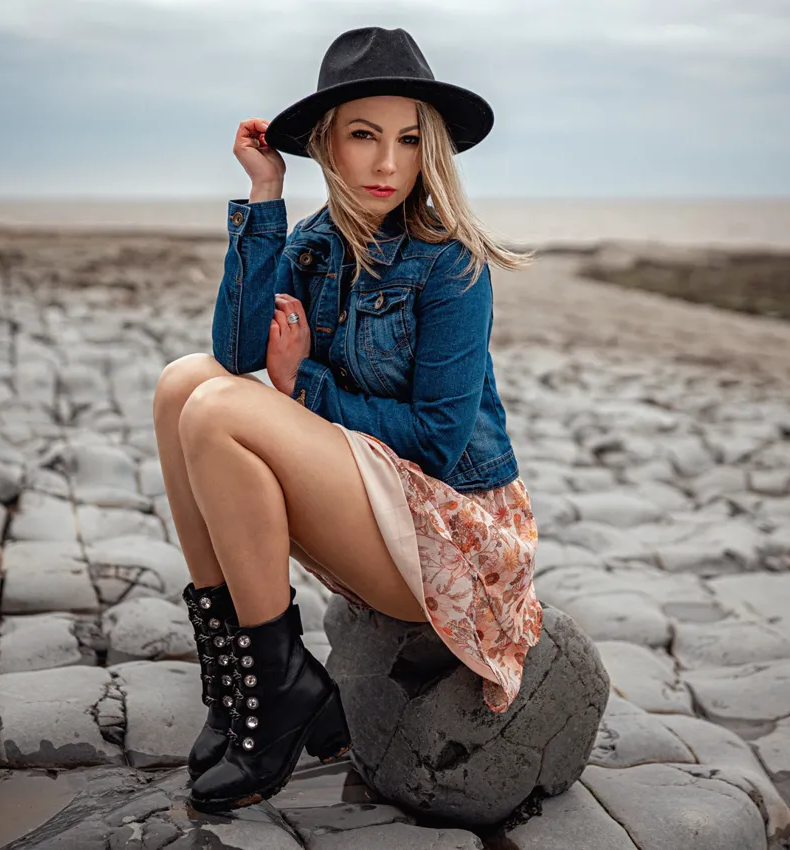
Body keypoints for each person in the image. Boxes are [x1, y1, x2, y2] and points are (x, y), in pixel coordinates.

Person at [152, 26, 540, 814]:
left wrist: (303, 388)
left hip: (451, 535)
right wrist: (265, 194)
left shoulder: (450, 265)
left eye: (407, 139)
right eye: (363, 136)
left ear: (429, 150)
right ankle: (242, 679)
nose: (388, 162)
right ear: (327, 145)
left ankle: (283, 683)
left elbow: (436, 439)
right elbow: (230, 351)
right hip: (370, 500)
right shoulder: (313, 246)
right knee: (182, 384)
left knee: (222, 408)